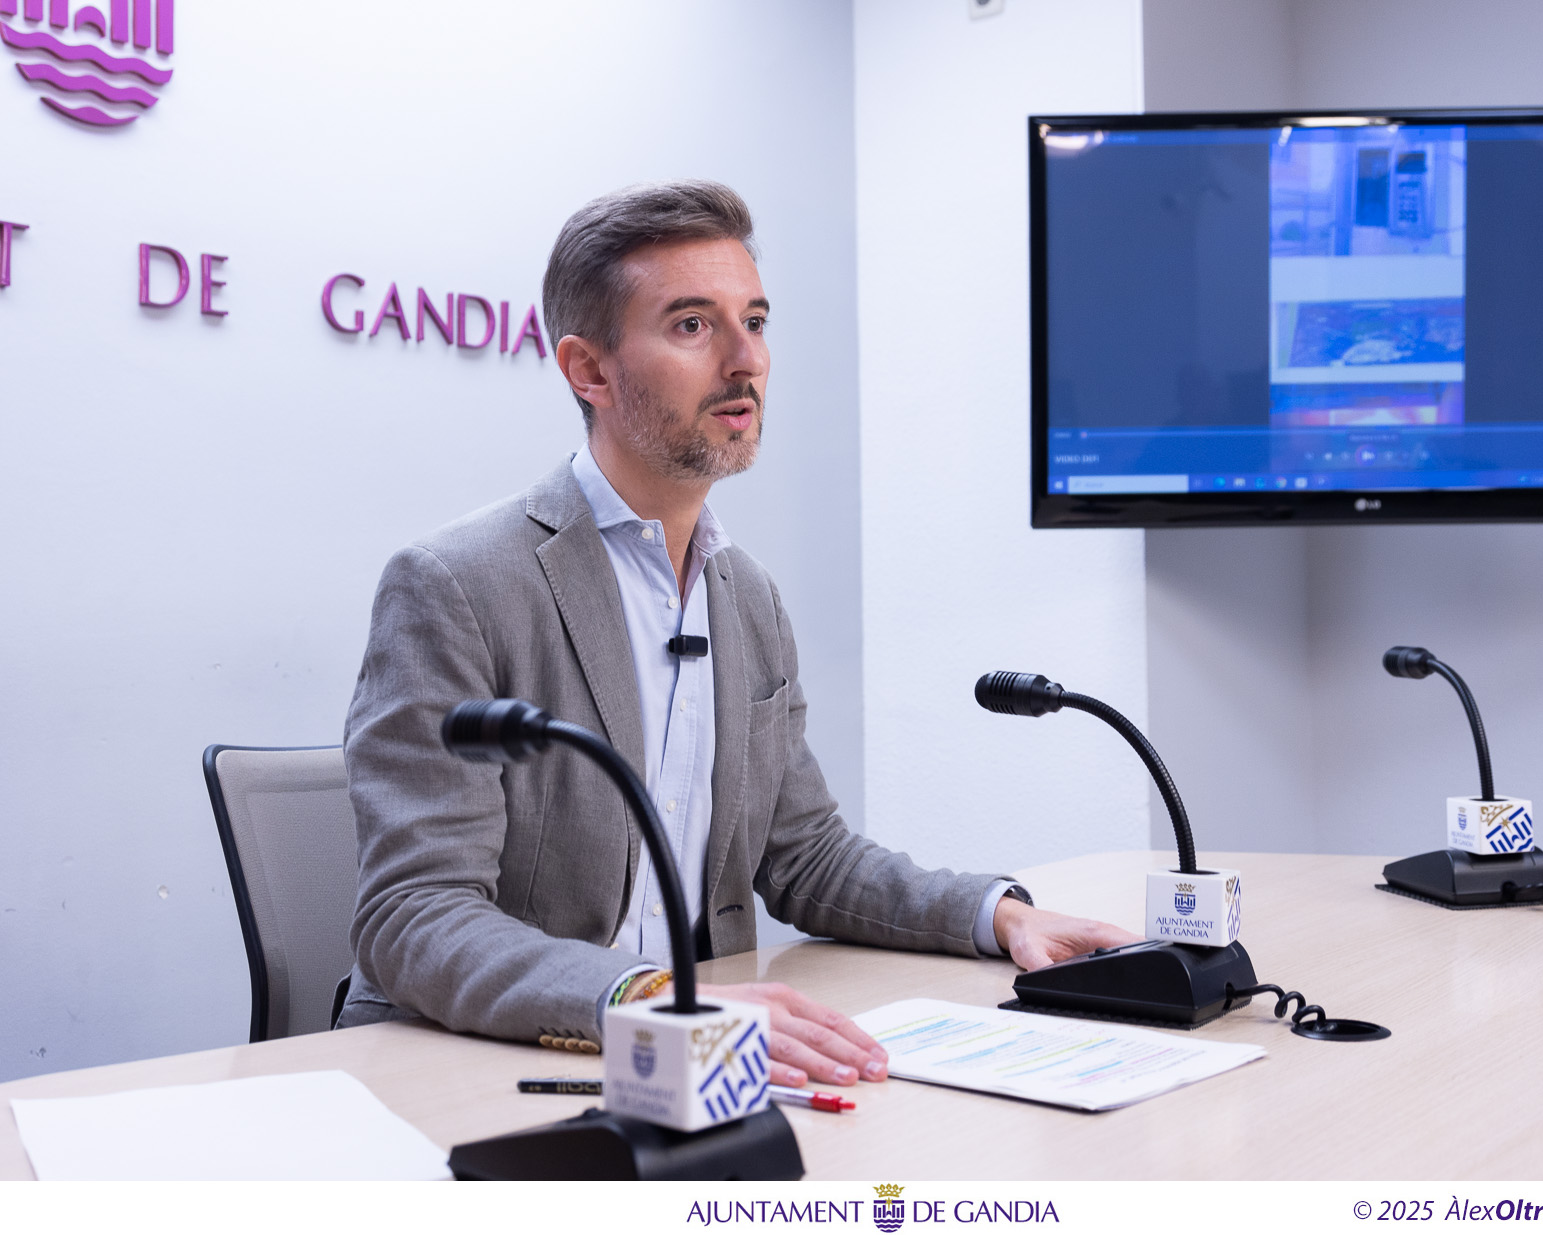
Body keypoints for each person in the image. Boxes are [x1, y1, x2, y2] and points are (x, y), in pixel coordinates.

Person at [336, 181, 1137, 1086]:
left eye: (753, 321)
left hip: (698, 1066)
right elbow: (415, 914)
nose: (746, 359)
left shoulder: (745, 595)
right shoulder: (456, 585)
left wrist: (1000, 916)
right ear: (588, 371)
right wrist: (650, 999)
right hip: (482, 1065)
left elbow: (807, 856)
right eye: (692, 325)